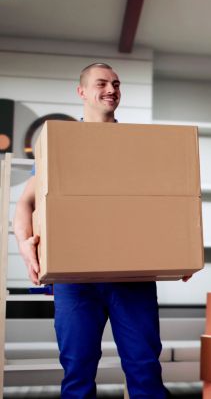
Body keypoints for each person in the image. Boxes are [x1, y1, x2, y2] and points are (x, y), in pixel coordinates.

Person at [13, 63, 172, 398]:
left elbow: (165, 204)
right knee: (77, 370)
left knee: (145, 368)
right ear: (81, 91)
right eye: (102, 83)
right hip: (76, 277)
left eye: (116, 84)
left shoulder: (138, 146)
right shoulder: (60, 145)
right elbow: (25, 203)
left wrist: (175, 252)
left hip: (132, 276)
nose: (111, 89)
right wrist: (25, 247)